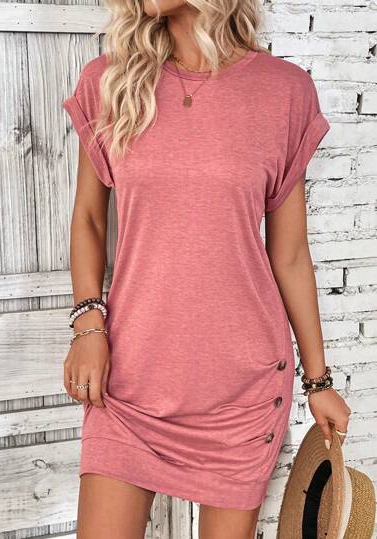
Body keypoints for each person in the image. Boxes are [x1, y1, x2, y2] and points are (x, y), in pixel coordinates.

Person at [62, 1, 352, 537]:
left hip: (241, 392)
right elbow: (88, 219)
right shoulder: (109, 81)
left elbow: (289, 253)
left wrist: (318, 381)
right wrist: (88, 325)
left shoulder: (284, 91)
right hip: (129, 382)